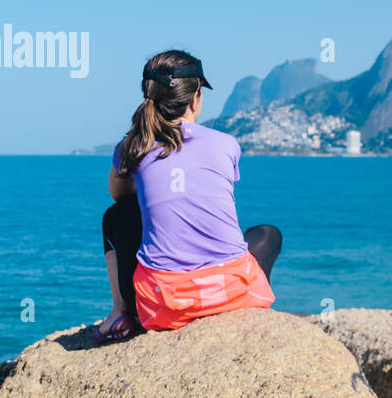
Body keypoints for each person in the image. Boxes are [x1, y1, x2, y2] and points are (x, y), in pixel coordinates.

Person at [95, 50, 282, 342]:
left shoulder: (131, 147)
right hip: (232, 294)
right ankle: (240, 302)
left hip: (163, 307)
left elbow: (118, 194)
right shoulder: (226, 144)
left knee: (116, 214)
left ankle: (120, 311)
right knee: (268, 234)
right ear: (195, 98)